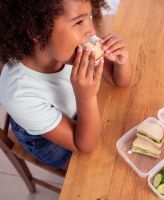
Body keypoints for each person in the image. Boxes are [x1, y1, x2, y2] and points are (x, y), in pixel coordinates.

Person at [0, 0, 132, 170]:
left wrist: (122, 61)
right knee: (94, 169)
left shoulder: (74, 43)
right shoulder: (18, 95)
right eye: (79, 22)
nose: (91, 30)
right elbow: (85, 146)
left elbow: (118, 81)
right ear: (37, 31)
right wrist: (86, 98)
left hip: (75, 109)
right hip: (47, 139)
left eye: (89, 17)